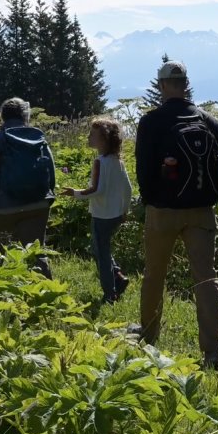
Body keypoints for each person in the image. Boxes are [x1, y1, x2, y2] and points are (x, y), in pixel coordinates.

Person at [133, 60, 218, 370]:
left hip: (163, 210)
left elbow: (144, 170)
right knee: (206, 278)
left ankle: (148, 337)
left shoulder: (151, 122)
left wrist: (151, 200)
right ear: (186, 84)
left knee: (154, 275)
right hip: (202, 210)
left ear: (162, 86)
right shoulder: (210, 122)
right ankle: (212, 352)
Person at [0, 97, 56, 278]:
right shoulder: (38, 136)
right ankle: (51, 298)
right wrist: (46, 199)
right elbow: (51, 172)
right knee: (36, 254)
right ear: (26, 116)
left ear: (2, 117)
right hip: (38, 205)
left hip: (1, 209)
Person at [61, 118, 133, 305]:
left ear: (104, 139)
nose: (88, 136)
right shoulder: (118, 161)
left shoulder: (99, 162)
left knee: (101, 254)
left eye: (93, 134)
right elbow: (128, 188)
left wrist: (74, 193)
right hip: (116, 214)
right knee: (102, 248)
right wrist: (124, 210)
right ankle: (118, 276)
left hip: (102, 215)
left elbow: (96, 190)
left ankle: (110, 294)